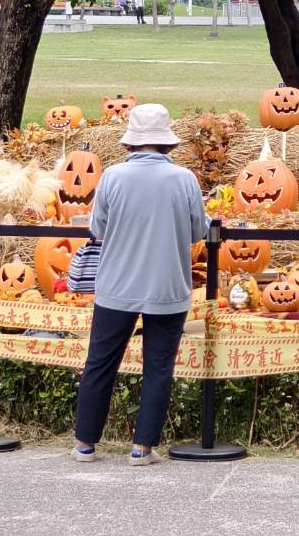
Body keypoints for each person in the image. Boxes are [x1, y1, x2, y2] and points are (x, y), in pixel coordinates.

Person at [72, 103, 204, 465]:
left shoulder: (113, 177)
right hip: (167, 286)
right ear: (167, 142)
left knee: (100, 363)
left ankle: (85, 443)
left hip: (117, 284)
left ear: (131, 141)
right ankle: (142, 448)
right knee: (158, 368)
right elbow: (198, 231)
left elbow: (98, 228)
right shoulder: (184, 179)